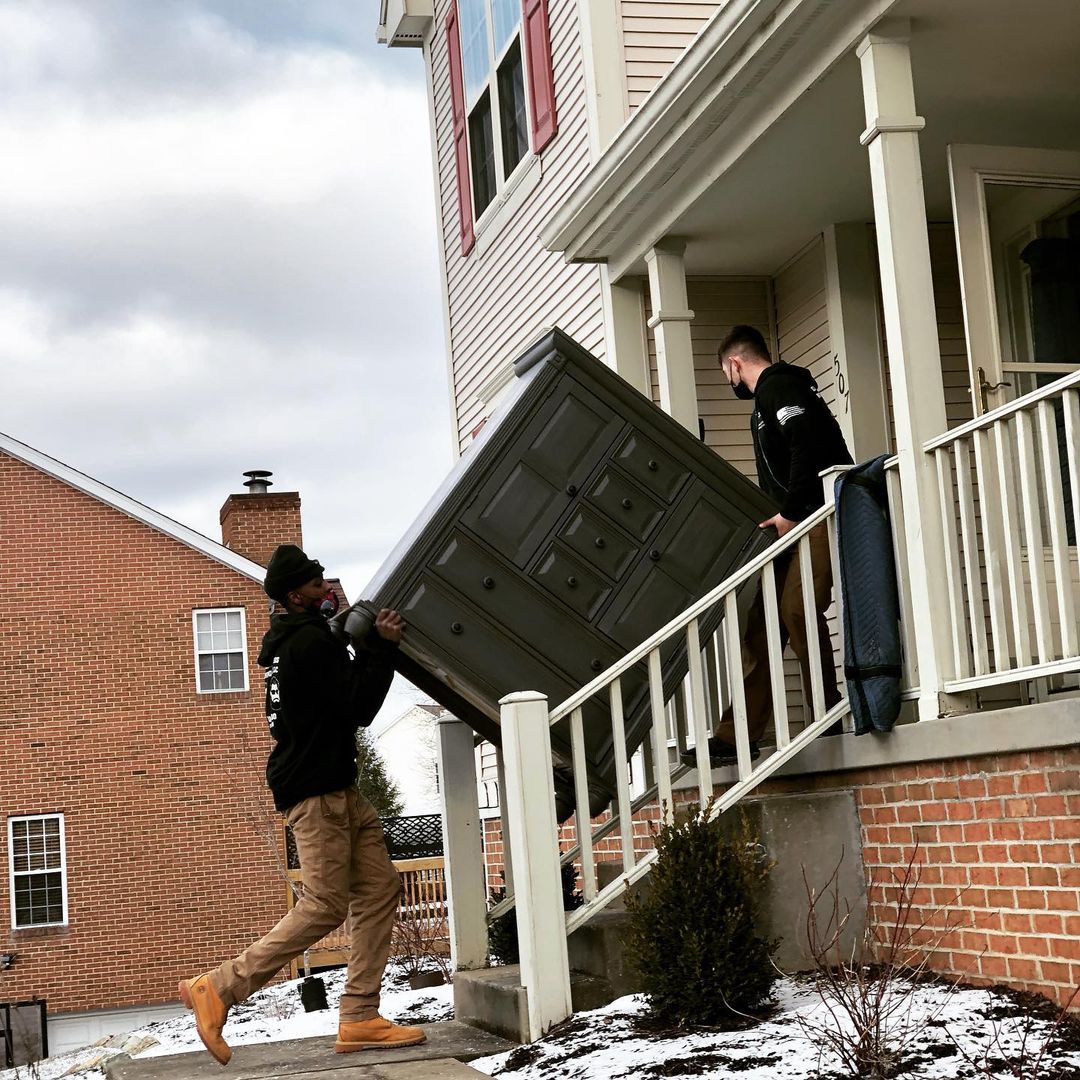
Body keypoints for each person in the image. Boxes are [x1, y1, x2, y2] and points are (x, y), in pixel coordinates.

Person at [179, 544, 425, 1063]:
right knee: (325, 904)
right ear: (295, 595)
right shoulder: (307, 644)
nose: (326, 589)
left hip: (338, 788)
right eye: (316, 585)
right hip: (316, 794)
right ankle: (219, 988)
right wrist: (383, 648)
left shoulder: (296, 640)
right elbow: (358, 706)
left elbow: (333, 701)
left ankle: (359, 1015)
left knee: (380, 888)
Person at [685, 325, 853, 768]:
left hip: (816, 517)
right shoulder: (764, 403)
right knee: (760, 626)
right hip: (789, 527)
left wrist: (792, 510)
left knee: (798, 610)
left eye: (726, 373)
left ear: (735, 364)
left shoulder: (780, 387)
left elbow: (806, 441)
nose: (729, 381)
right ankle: (735, 735)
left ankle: (829, 709)